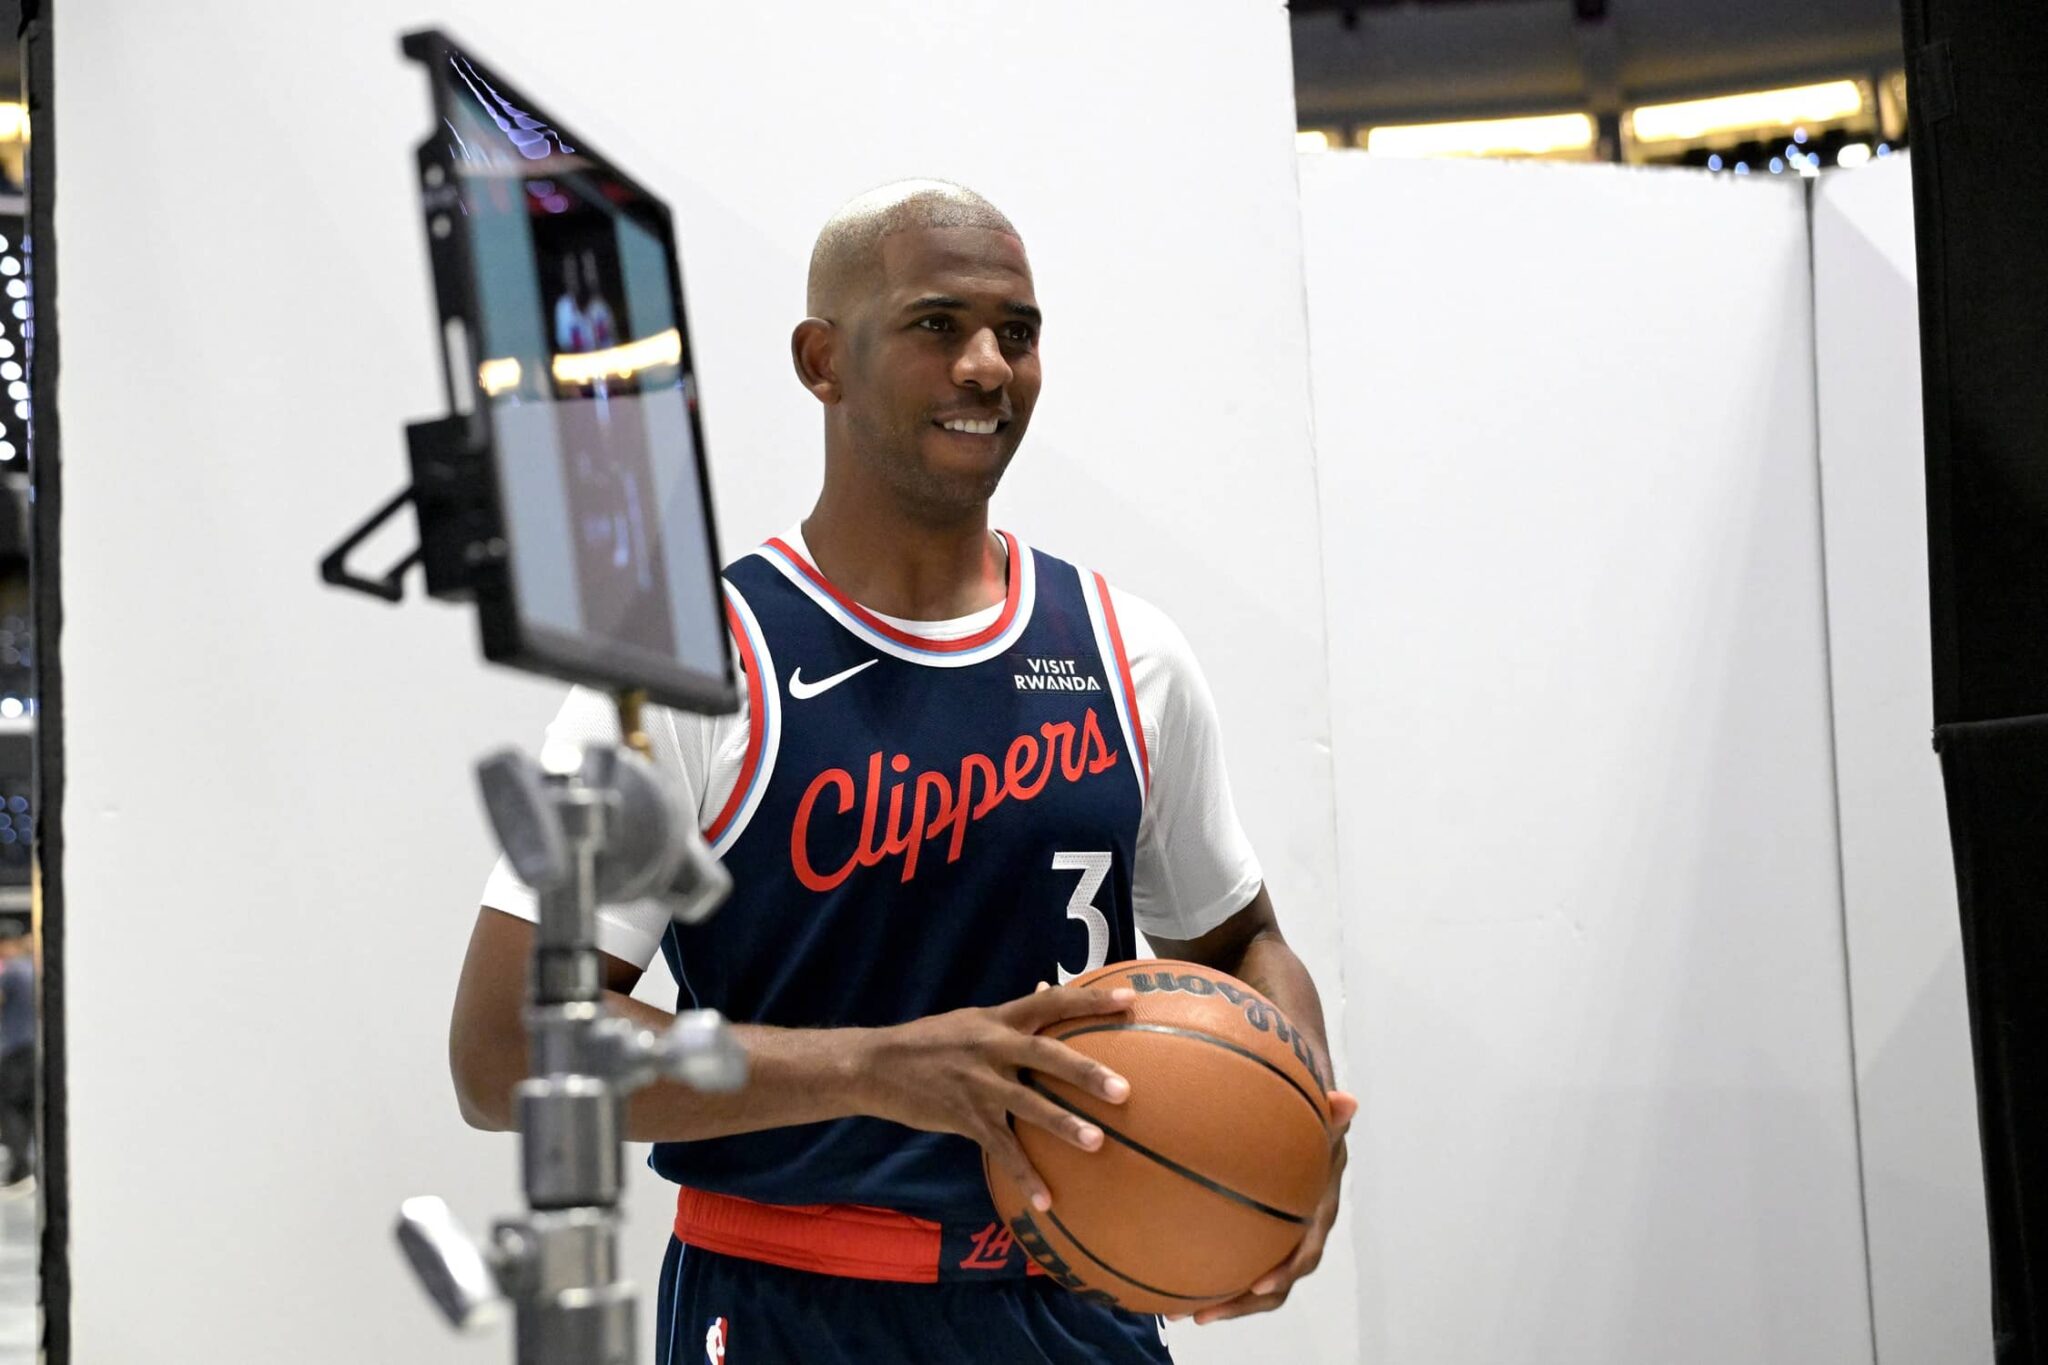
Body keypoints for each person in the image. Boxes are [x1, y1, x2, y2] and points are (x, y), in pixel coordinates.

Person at [451, 180, 1355, 1364]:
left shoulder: (1128, 651)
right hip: (788, 1308)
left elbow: (1240, 944)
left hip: (1075, 1314)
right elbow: (503, 1052)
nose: (987, 366)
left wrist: (1293, 1119)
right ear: (823, 359)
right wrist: (878, 1069)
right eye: (937, 325)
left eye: (1016, 335)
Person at [0, 923, 32, 1190]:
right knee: (28, 1107)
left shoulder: (10, 973)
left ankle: (19, 1167)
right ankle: (27, 1164)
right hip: (33, 1046)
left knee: (10, 1107)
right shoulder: (32, 968)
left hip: (13, 1047)